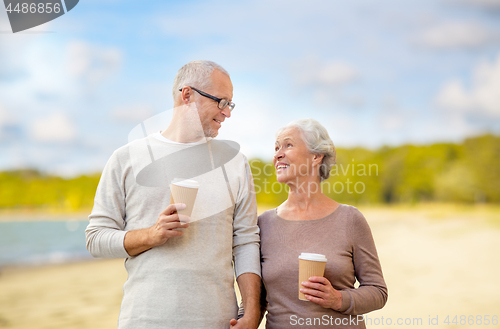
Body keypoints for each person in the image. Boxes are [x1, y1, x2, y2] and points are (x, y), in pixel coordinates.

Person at [85, 60, 261, 329]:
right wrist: (151, 234)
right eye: (221, 102)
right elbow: (96, 238)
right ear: (187, 95)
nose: (227, 113)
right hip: (144, 320)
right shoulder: (126, 158)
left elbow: (246, 242)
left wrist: (250, 312)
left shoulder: (235, 163)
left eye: (230, 104)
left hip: (217, 321)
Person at [257, 118, 388, 328]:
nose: (278, 155)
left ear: (316, 156)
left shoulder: (350, 219)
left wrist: (337, 299)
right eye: (276, 148)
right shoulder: (263, 224)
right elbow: (256, 300)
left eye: (288, 145)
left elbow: (378, 291)